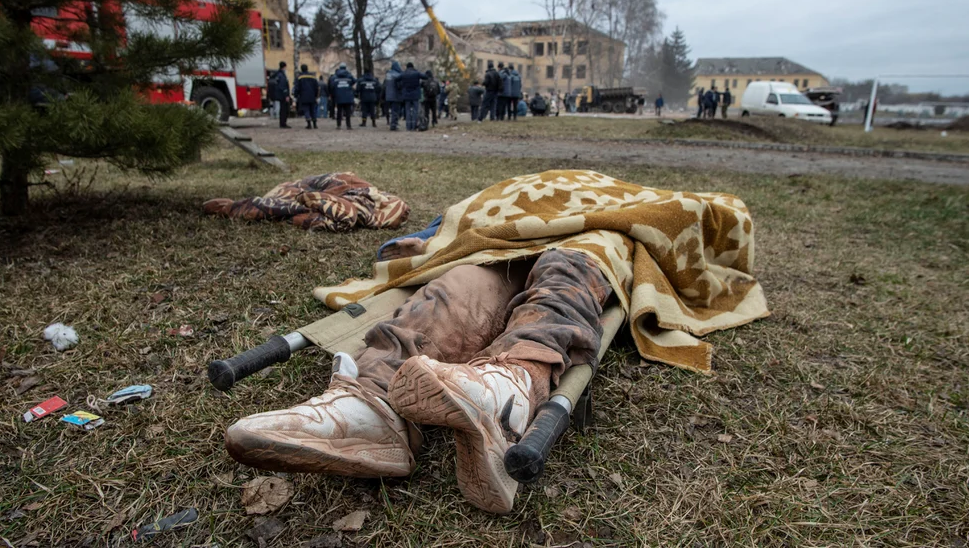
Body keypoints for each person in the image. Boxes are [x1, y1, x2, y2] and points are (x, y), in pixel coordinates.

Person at [224, 245, 613, 515]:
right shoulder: (519, 197)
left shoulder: (609, 197)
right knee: (459, 282)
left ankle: (511, 389)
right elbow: (458, 227)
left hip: (588, 251)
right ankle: (374, 403)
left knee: (565, 272)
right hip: (505, 248)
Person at [397, 62, 425, 131]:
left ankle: (408, 126)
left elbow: (396, 79)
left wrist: (401, 86)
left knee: (407, 111)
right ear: (413, 67)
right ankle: (414, 126)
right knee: (415, 111)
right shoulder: (417, 73)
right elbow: (425, 77)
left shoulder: (403, 74)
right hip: (415, 95)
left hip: (406, 95)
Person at [331, 62, 356, 130]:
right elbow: (354, 81)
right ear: (345, 68)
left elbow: (332, 85)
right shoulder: (349, 75)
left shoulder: (335, 76)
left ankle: (338, 125)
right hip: (348, 96)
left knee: (339, 111)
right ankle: (348, 125)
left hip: (339, 96)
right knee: (348, 112)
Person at [294, 64, 320, 129]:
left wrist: (296, 95)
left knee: (306, 110)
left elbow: (297, 87)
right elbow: (317, 87)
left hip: (303, 96)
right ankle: (315, 124)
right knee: (313, 110)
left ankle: (309, 124)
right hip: (312, 96)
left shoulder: (299, 77)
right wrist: (316, 95)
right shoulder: (313, 76)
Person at [384, 60, 403, 131]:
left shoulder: (388, 74)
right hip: (396, 95)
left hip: (388, 95)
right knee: (395, 110)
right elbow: (400, 85)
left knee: (391, 110)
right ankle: (394, 125)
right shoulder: (397, 75)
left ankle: (392, 123)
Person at [274, 62, 291, 129]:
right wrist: (286, 95)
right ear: (284, 67)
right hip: (283, 96)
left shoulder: (278, 74)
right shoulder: (282, 75)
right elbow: (283, 86)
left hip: (280, 95)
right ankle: (283, 123)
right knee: (284, 110)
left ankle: (282, 123)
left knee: (282, 109)